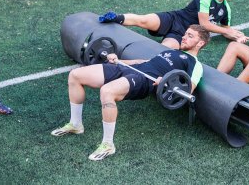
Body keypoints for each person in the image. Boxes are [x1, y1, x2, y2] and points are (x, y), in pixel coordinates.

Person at [51, 24, 209, 161]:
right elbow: (144, 62)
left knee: (107, 91)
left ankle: (108, 145)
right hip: (130, 69)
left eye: (190, 36)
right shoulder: (172, 51)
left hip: (145, 81)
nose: (184, 37)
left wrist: (166, 82)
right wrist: (118, 60)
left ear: (200, 43)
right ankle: (76, 124)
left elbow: (188, 89)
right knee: (75, 75)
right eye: (185, 34)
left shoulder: (194, 64)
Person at [98, 0, 249, 49]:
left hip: (183, 34)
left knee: (166, 49)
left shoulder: (226, 9)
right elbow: (205, 24)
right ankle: (114, 18)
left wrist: (236, 36)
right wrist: (228, 32)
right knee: (143, 20)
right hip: (175, 18)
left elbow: (226, 30)